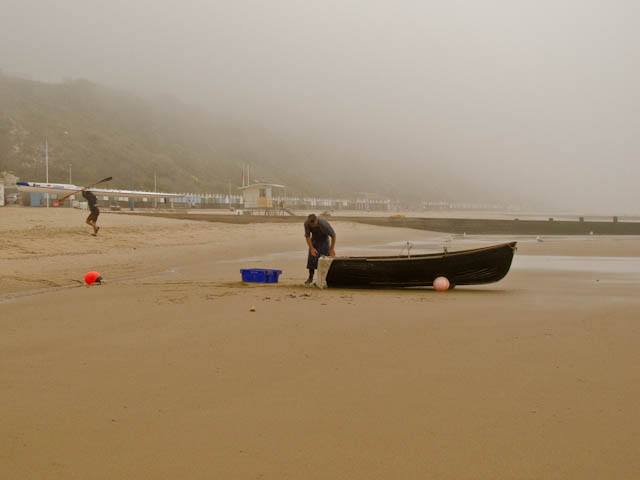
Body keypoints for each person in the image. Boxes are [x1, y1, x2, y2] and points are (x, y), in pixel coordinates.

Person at [304, 213, 336, 284]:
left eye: (314, 224)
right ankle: (310, 278)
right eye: (311, 225)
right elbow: (307, 236)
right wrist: (311, 248)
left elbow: (333, 236)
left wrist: (331, 248)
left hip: (324, 241)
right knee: (311, 259)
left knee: (324, 260)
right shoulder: (306, 223)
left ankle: (324, 279)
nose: (312, 226)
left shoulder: (324, 224)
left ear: (316, 221)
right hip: (314, 240)